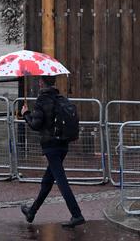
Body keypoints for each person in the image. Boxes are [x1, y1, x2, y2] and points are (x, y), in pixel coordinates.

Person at [20, 76, 85, 228]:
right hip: (63, 145)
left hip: (51, 146)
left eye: (39, 81)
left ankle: (77, 214)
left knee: (61, 181)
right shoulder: (60, 98)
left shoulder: (42, 100)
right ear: (54, 82)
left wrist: (25, 114)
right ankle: (32, 212)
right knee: (47, 182)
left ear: (41, 82)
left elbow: (35, 125)